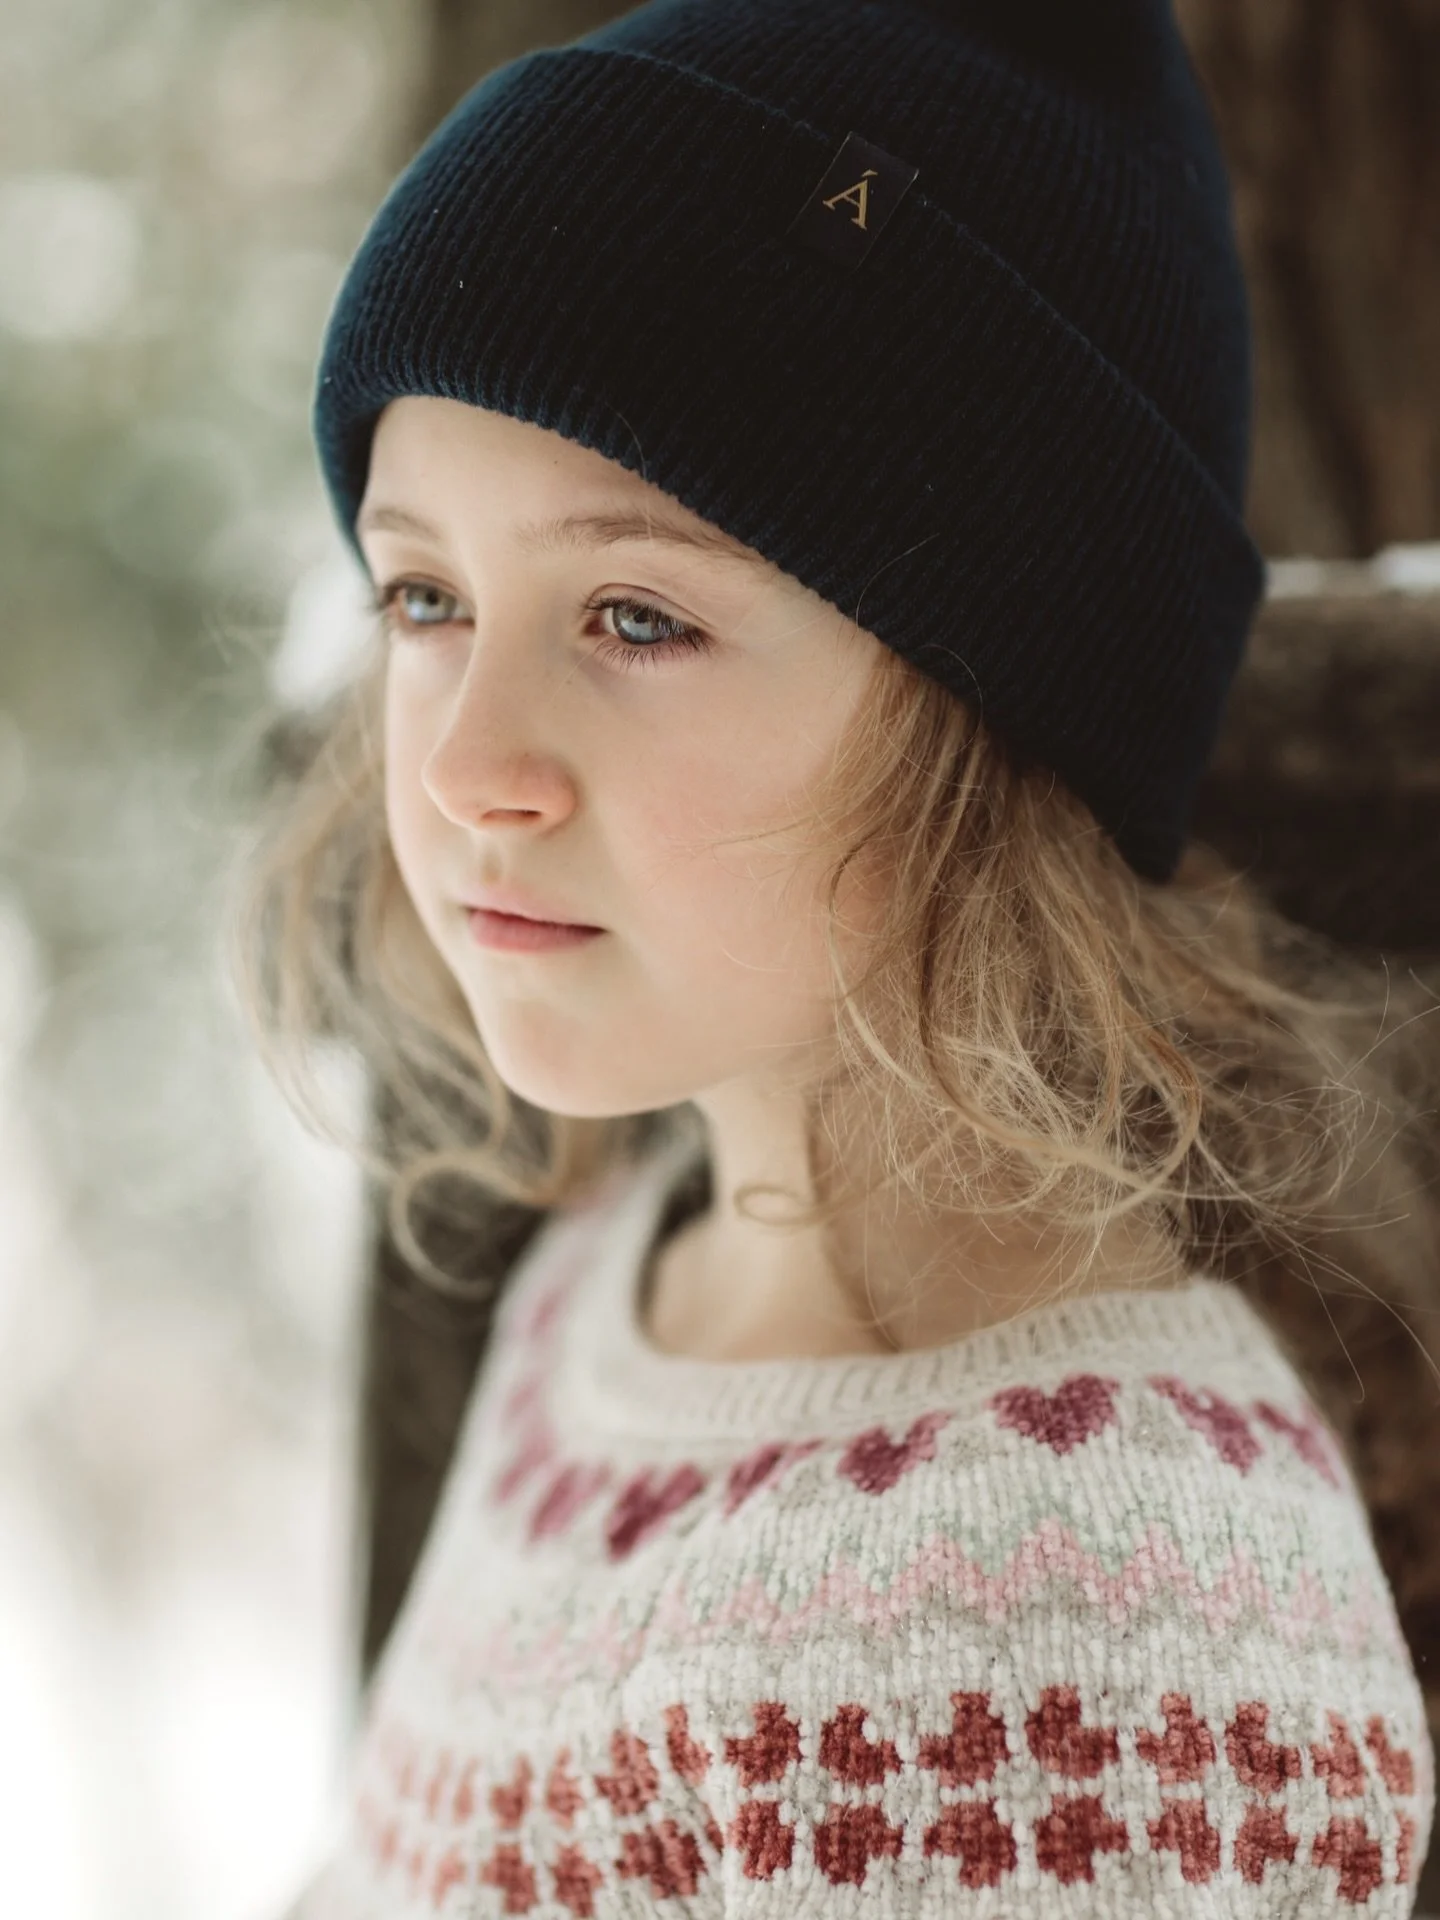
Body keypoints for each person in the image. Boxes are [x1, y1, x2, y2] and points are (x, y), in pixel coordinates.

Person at [231, 0, 1440, 1911]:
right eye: (428, 596)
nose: (466, 764)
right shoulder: (611, 1299)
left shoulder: (1058, 1635)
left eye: (636, 617)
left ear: (1001, 709)